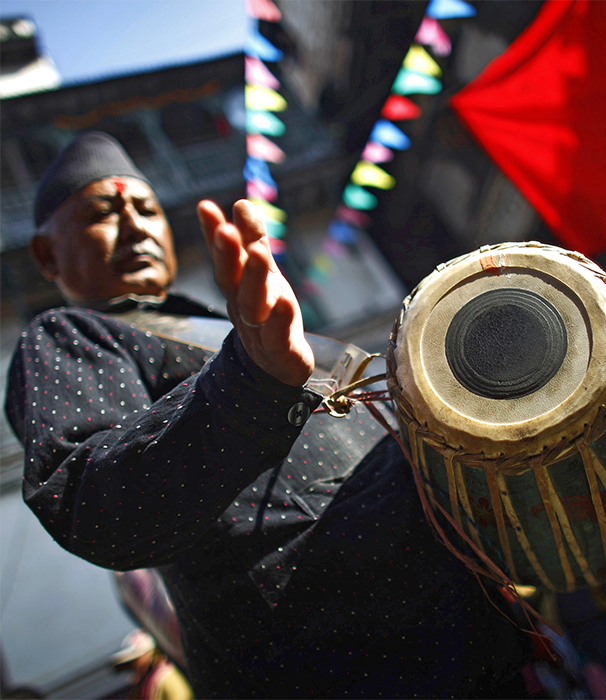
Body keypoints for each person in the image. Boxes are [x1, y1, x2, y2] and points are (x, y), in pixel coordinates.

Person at [4, 132, 531, 698]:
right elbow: (96, 507)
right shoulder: (66, 336)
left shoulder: (234, 326)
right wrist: (251, 377)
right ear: (46, 254)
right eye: (101, 213)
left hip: (467, 632)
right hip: (331, 668)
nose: (135, 226)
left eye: (147, 209)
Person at [112, 629, 194, 700]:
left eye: (134, 661)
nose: (132, 668)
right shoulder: (150, 683)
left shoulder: (166, 676)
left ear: (148, 654)